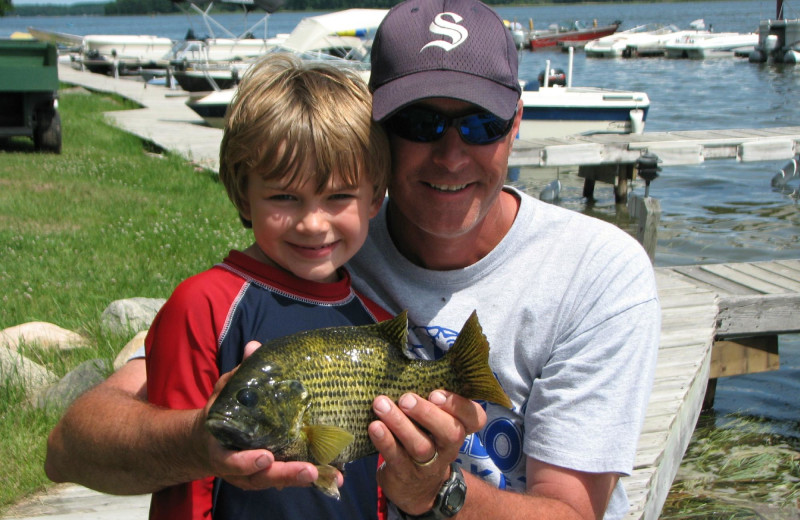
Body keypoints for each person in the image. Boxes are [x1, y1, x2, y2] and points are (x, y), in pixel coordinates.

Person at [45, 1, 661, 519]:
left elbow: (572, 512)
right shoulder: (324, 259)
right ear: (376, 130)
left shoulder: (597, 272)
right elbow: (72, 445)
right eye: (420, 123)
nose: (450, 155)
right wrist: (203, 439)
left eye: (480, 124)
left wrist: (436, 491)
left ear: (517, 121)